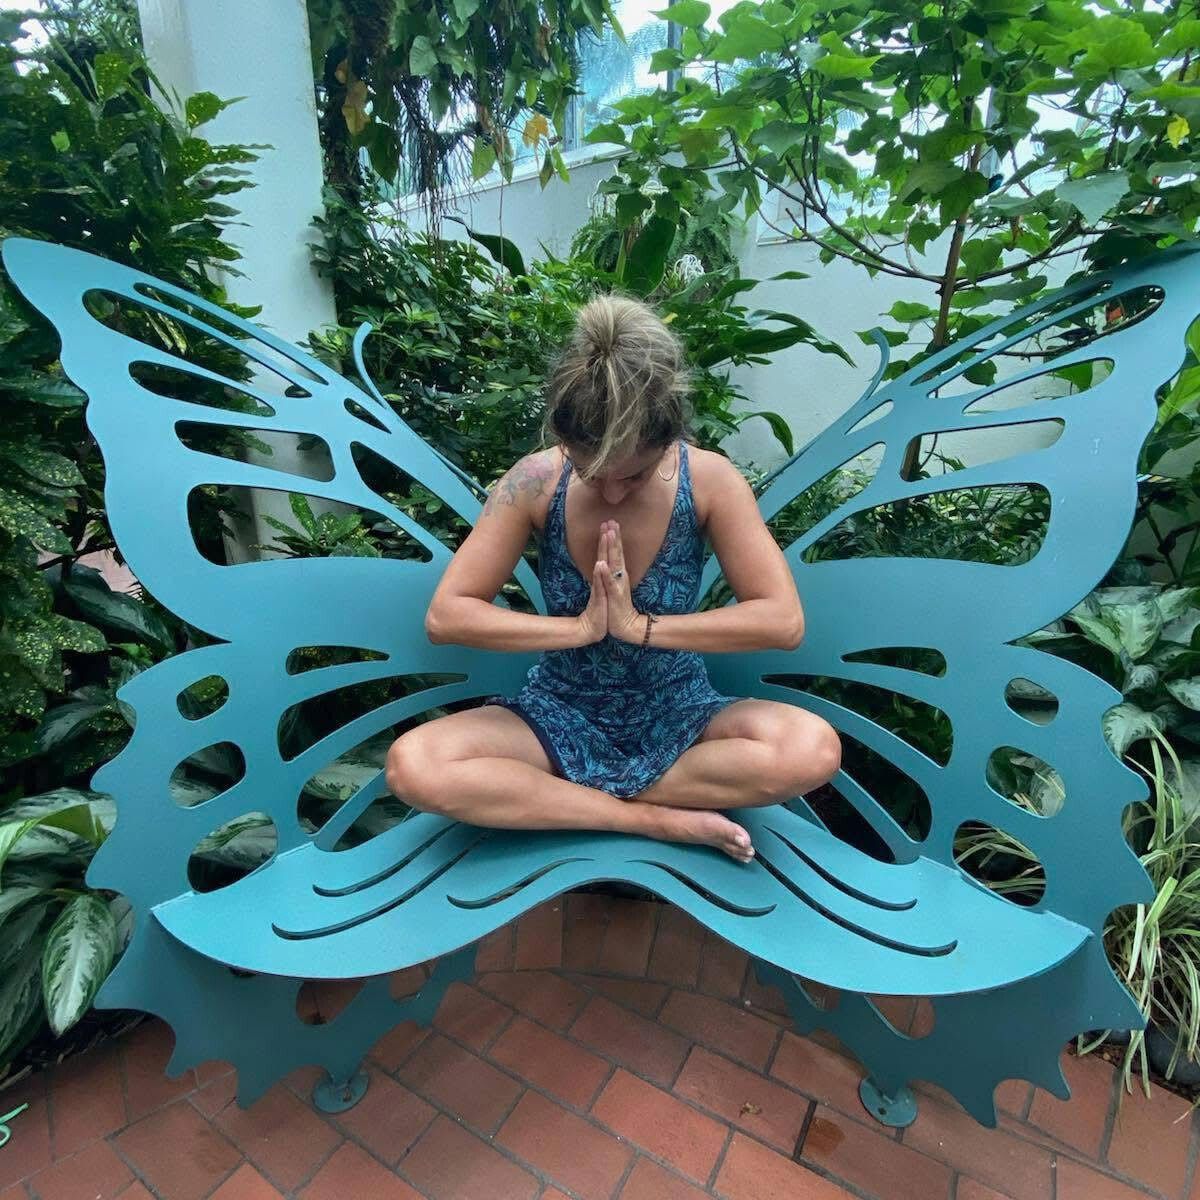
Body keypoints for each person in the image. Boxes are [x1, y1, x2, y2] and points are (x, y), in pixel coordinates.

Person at [385, 293, 841, 862]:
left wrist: (637, 626)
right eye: (591, 471)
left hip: (679, 713)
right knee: (414, 765)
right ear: (563, 440)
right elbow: (447, 615)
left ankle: (560, 802)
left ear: (669, 439)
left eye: (637, 474)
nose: (613, 492)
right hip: (556, 712)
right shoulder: (534, 480)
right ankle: (651, 819)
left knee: (810, 748)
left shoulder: (712, 482)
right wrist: (578, 630)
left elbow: (782, 620)